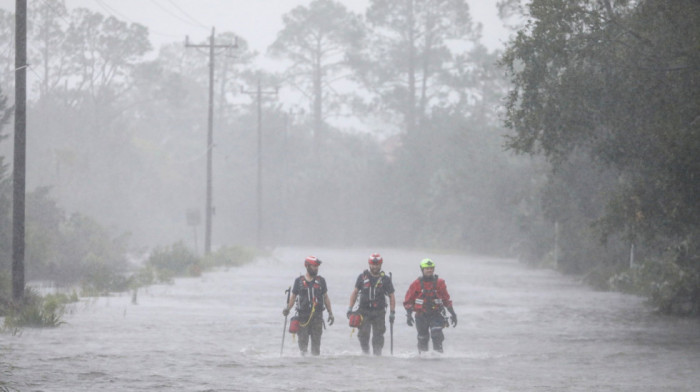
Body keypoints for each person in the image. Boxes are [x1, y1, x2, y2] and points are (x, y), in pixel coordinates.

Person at [282, 256, 334, 356]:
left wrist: (330, 313)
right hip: (302, 318)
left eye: (317, 266)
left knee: (316, 349)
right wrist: (287, 308)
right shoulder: (299, 281)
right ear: (307, 266)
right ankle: (304, 367)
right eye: (314, 266)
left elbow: (326, 297)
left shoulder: (321, 281)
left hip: (317, 317)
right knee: (303, 349)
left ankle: (315, 368)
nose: (316, 268)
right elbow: (293, 297)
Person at [403, 258, 457, 353]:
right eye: (427, 268)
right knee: (422, 338)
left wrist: (453, 314)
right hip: (421, 315)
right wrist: (408, 315)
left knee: (437, 335)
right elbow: (408, 301)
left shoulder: (440, 283)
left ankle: (438, 358)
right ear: (422, 269)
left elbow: (446, 299)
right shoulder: (415, 284)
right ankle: (423, 360)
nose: (429, 270)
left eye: (431, 268)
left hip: (436, 314)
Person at [346, 253, 396, 355]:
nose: (375, 266)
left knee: (378, 335)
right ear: (369, 264)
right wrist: (350, 308)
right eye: (373, 264)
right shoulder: (362, 277)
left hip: (379, 312)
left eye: (377, 264)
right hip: (364, 311)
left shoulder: (385, 279)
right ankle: (365, 353)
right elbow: (355, 293)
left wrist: (392, 312)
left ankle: (377, 356)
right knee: (363, 334)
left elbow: (391, 296)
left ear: (381, 265)